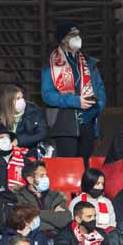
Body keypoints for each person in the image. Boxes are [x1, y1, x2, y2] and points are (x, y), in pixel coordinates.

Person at [41, 19, 106, 162]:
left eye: (78, 34)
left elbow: (100, 89)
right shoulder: (51, 65)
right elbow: (48, 96)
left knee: (86, 164)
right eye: (72, 34)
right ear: (63, 39)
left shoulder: (89, 62)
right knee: (69, 165)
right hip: (65, 124)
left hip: (89, 121)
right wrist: (76, 101)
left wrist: (98, 106)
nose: (77, 38)